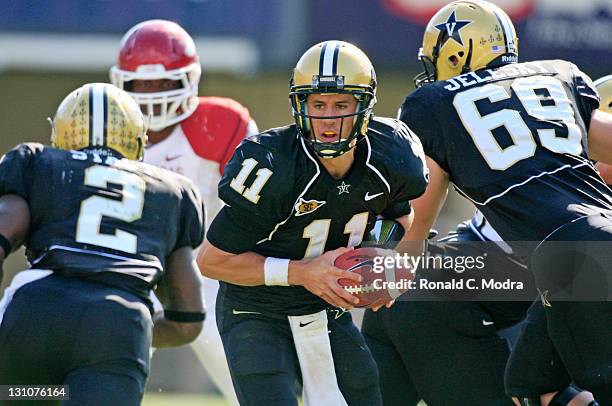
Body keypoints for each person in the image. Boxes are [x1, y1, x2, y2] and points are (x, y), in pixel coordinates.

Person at [398, 1, 612, 404]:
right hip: (580, 253)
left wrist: (396, 267)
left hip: (572, 261)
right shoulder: (557, 75)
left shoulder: (433, 104)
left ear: (455, 53)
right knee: (529, 386)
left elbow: (419, 218)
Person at [197, 40, 429, 405]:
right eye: (317, 105)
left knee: (363, 395)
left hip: (325, 305)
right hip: (256, 309)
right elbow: (211, 261)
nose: (328, 119)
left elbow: (401, 215)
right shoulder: (273, 166)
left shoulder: (390, 154)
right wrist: (302, 272)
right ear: (300, 106)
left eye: (341, 105)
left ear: (364, 107)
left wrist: (382, 257)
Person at [0, 83, 206, 405]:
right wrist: (123, 335)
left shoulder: (37, 162)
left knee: (22, 397)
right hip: (119, 321)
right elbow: (186, 321)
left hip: (37, 311)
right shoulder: (173, 192)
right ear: (138, 140)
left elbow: (4, 230)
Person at [109, 19, 257, 405]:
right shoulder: (104, 128)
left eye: (163, 83)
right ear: (121, 82)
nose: (153, 94)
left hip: (206, 269)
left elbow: (255, 208)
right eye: (142, 84)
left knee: (249, 381)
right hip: (126, 270)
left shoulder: (219, 124)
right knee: (104, 376)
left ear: (189, 80)